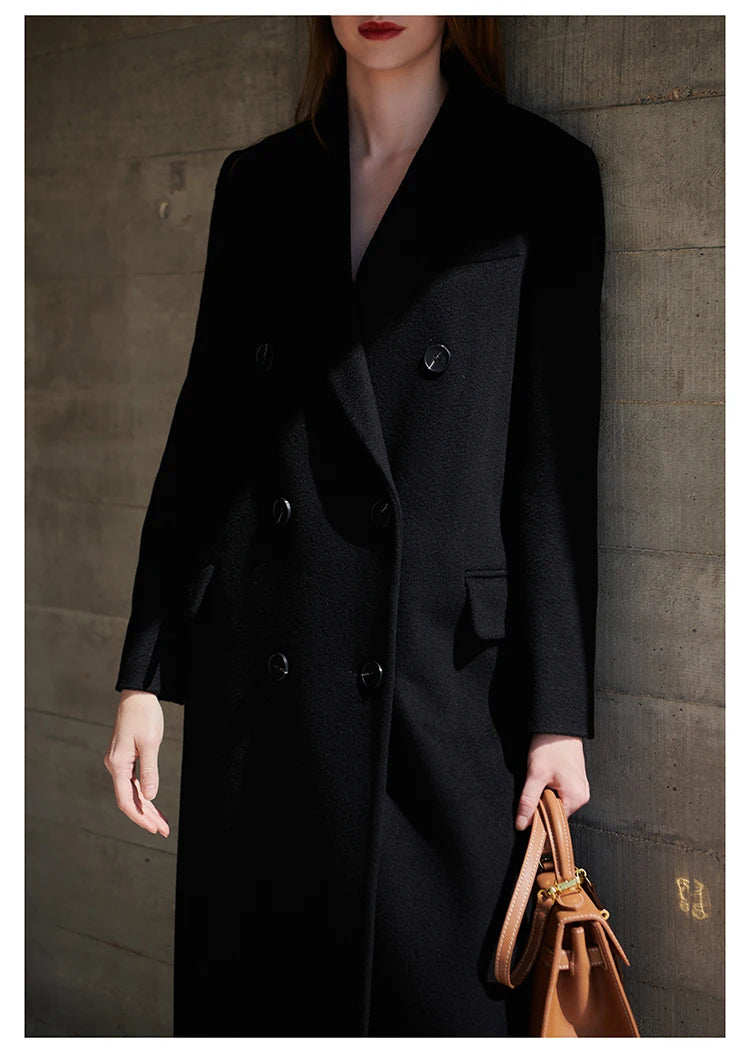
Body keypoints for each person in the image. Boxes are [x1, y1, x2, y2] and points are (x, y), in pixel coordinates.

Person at [104, 14, 605, 1038]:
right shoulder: (258, 185)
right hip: (265, 689)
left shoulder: (540, 176)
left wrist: (560, 715)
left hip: (442, 688)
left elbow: (554, 466)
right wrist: (145, 674)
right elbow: (205, 438)